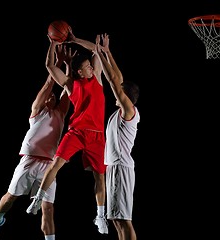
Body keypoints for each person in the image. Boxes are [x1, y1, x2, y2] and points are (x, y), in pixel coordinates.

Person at [0, 44, 72, 240]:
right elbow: (50, 82)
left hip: (49, 165)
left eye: (52, 95)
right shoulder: (37, 111)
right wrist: (55, 62)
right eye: (48, 95)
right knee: (11, 197)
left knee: (48, 209)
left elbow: (67, 86)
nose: (50, 95)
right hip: (29, 160)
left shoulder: (60, 113)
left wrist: (68, 65)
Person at [26, 31, 109, 234]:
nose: (91, 66)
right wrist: (53, 44)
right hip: (77, 132)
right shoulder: (71, 85)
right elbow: (49, 66)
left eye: (91, 65)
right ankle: (37, 199)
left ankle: (100, 216)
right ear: (80, 72)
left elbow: (97, 50)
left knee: (100, 177)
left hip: (97, 134)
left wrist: (74, 40)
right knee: (56, 164)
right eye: (87, 66)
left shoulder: (97, 77)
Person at [94, 33, 140, 240]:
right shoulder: (119, 112)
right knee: (115, 219)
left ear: (127, 97)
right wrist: (107, 52)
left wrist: (98, 53)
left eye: (120, 93)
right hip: (113, 166)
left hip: (121, 167)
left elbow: (113, 81)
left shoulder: (129, 111)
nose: (115, 93)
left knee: (124, 220)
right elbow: (117, 78)